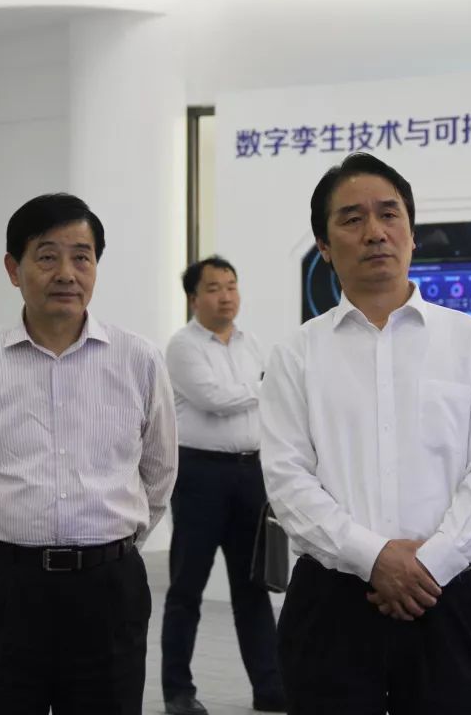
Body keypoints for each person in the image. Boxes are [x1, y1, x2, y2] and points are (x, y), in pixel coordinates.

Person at [260, 153, 471, 714]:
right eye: (352, 219)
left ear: (412, 231)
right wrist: (374, 557)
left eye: (389, 214)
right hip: (330, 603)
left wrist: (429, 564)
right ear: (323, 245)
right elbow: (287, 481)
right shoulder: (296, 355)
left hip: (447, 596)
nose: (375, 232)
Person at [0, 192, 178, 715]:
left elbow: (158, 472)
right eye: (47, 256)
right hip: (1, 591)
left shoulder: (140, 360)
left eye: (82, 257)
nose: (67, 273)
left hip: (108, 590)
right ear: (13, 269)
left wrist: (110, 545)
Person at [160, 256, 285, 715]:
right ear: (194, 298)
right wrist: (264, 387)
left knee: (253, 588)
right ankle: (178, 691)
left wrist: (263, 390)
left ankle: (269, 689)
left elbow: (265, 404)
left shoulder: (252, 344)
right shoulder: (183, 346)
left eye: (231, 286)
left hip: (251, 474)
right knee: (187, 588)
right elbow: (213, 399)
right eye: (214, 288)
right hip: (200, 475)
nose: (226, 296)